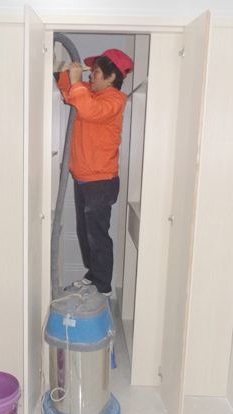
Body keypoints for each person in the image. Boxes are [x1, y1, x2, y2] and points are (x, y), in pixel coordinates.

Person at [56, 49, 134, 296]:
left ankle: (103, 287)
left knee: (96, 235)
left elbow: (89, 110)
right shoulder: (91, 94)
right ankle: (94, 276)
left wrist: (77, 82)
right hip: (84, 179)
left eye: (97, 72)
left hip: (100, 182)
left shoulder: (115, 100)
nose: (91, 77)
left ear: (111, 77)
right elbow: (68, 92)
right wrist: (65, 72)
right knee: (85, 233)